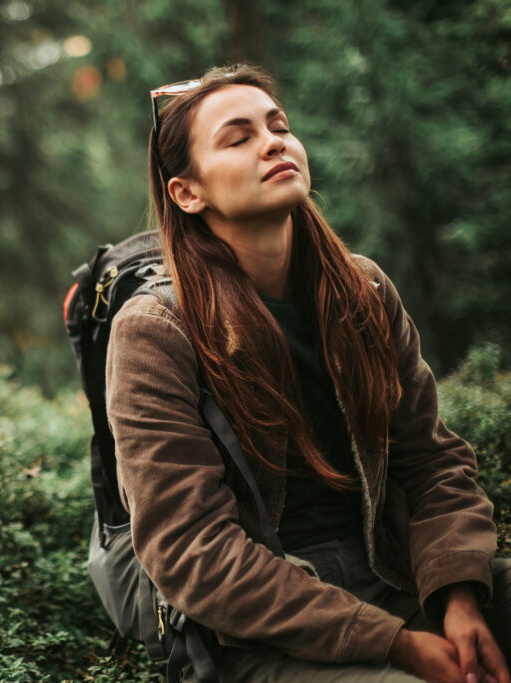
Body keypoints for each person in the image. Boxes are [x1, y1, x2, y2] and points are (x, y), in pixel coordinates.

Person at [105, 64, 511, 683]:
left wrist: (458, 595)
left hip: (397, 569)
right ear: (188, 193)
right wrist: (397, 645)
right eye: (238, 138)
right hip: (260, 629)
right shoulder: (155, 332)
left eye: (279, 126)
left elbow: (430, 462)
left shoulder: (364, 289)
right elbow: (193, 553)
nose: (273, 142)